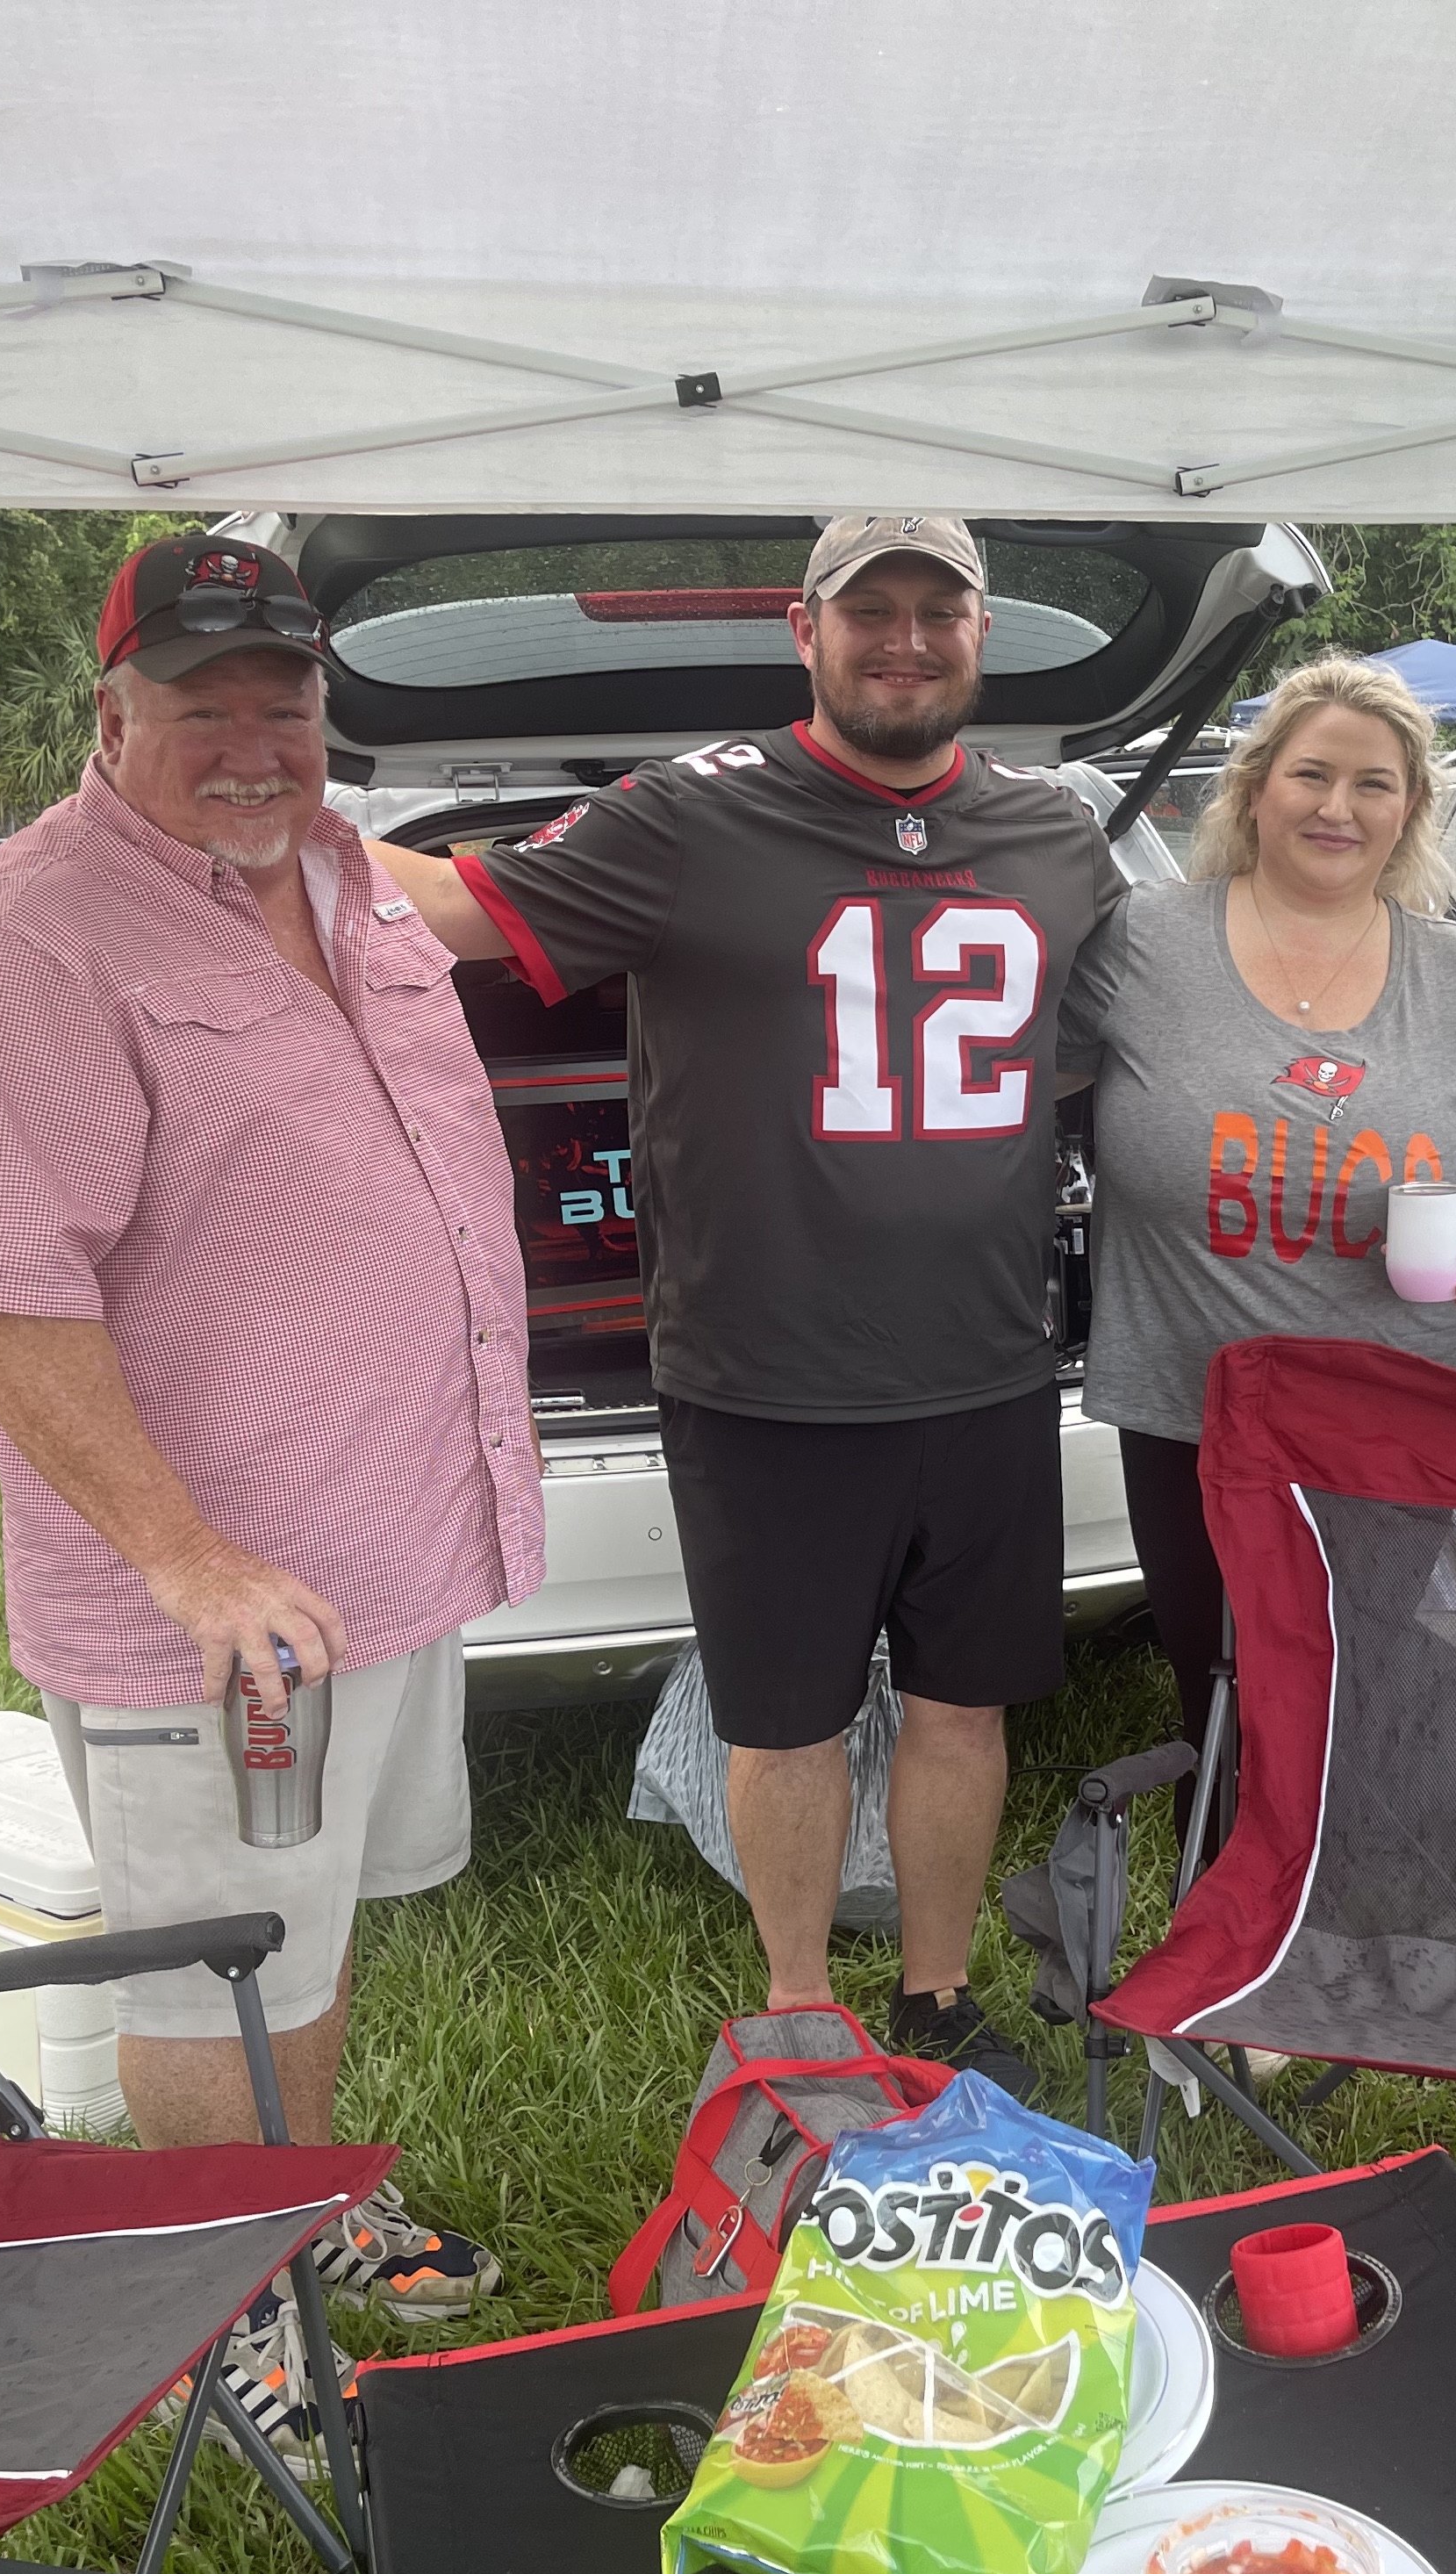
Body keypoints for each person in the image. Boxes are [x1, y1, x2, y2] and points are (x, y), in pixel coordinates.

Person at [0, 535, 525, 2422]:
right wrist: (185, 1559)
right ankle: (221, 2314)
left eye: (286, 702)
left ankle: (291, 2220)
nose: (252, 743)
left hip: (390, 1547)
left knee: (296, 1938)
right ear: (111, 711)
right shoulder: (32, 934)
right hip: (217, 1600)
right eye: (201, 705)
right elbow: (2, 1292)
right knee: (212, 1976)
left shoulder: (343, 873)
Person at [364, 514, 1119, 2096]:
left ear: (980, 634)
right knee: (781, 1718)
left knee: (962, 1707)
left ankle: (933, 1990)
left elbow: (1155, 1024)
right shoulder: (688, 818)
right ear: (806, 628)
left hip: (987, 1360)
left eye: (937, 610)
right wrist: (253, 795)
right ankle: (794, 2004)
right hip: (767, 1372)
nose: (902, 639)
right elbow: (437, 912)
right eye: (870, 611)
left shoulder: (1057, 833)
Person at [1065, 652, 1456, 1744]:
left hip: (1405, 1405)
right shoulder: (1140, 943)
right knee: (1219, 1686)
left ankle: (1375, 1902)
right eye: (1312, 775)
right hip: (1193, 1406)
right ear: (1256, 785)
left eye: (1375, 783)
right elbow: (1018, 1083)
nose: (1339, 807)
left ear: (1410, 808)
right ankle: (1238, 1889)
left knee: (1392, 1689)